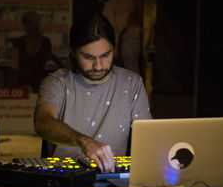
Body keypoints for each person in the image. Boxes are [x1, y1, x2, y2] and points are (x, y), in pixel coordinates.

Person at [34, 13, 152, 173]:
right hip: (65, 181)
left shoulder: (132, 83)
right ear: (73, 52)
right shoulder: (57, 82)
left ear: (114, 49)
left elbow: (147, 137)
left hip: (112, 178)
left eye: (105, 55)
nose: (98, 66)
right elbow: (42, 121)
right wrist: (83, 141)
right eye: (88, 57)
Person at [11, 10, 63, 92]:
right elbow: (15, 67)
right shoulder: (18, 43)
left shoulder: (45, 42)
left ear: (37, 23)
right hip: (22, 84)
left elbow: (51, 58)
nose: (27, 24)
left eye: (30, 21)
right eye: (25, 22)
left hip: (40, 84)